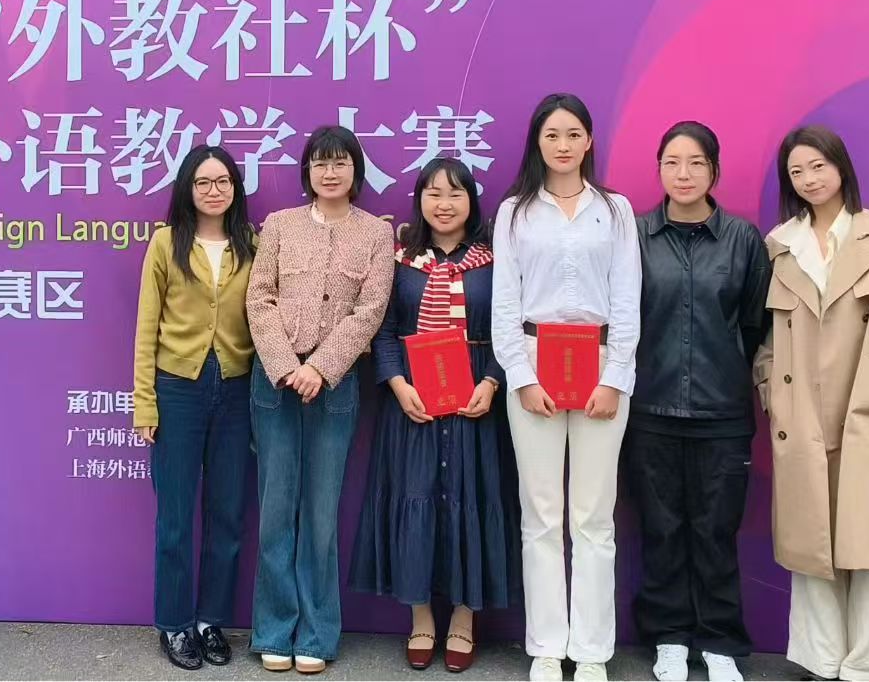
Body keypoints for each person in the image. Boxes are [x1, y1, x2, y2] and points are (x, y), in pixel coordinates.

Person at [753, 125, 869, 682]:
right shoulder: (780, 245)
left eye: (818, 166)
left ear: (841, 167)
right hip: (801, 413)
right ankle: (820, 657)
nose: (809, 179)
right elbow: (763, 337)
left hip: (865, 407)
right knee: (812, 541)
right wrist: (772, 392)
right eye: (797, 172)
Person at [350, 157, 521, 673]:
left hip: (476, 398)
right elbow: (383, 330)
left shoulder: (496, 260)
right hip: (413, 400)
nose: (444, 205)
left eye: (455, 194)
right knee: (415, 496)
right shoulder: (401, 259)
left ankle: (465, 618)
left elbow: (511, 326)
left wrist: (492, 381)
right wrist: (398, 385)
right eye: (433, 194)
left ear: (472, 201)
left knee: (472, 497)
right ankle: (421, 616)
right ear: (419, 201)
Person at [490, 93, 640, 682]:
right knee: (542, 513)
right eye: (552, 134)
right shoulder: (515, 212)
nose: (563, 145)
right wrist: (521, 378)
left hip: (601, 363)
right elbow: (505, 303)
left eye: (573, 134)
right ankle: (548, 646)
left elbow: (627, 298)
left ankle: (593, 650)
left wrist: (616, 376)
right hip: (533, 362)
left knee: (594, 517)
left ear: (589, 141)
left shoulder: (616, 210)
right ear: (537, 141)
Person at [246, 125, 397, 675]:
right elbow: (259, 299)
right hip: (275, 383)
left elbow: (370, 311)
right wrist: (288, 366)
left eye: (340, 163)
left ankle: (316, 634)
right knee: (275, 511)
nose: (329, 173)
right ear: (307, 171)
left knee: (321, 514)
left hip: (334, 386)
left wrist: (321, 368)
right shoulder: (279, 225)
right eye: (320, 163)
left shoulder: (377, 233)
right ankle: (273, 629)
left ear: (356, 171)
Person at [627, 122, 770, 682]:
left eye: (695, 163)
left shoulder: (742, 240)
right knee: (661, 529)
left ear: (714, 170)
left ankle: (719, 641)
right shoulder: (636, 235)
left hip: (722, 414)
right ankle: (668, 637)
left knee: (715, 531)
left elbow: (754, 324)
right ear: (659, 169)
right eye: (672, 162)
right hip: (650, 408)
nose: (683, 174)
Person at [132, 145, 259, 671]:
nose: (213, 190)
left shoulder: (252, 243)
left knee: (227, 513)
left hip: (236, 388)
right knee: (176, 518)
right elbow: (146, 327)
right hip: (177, 389)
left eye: (223, 181)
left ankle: (210, 621)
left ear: (235, 188)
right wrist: (145, 403)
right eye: (203, 182)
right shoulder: (166, 243)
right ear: (187, 188)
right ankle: (174, 623)